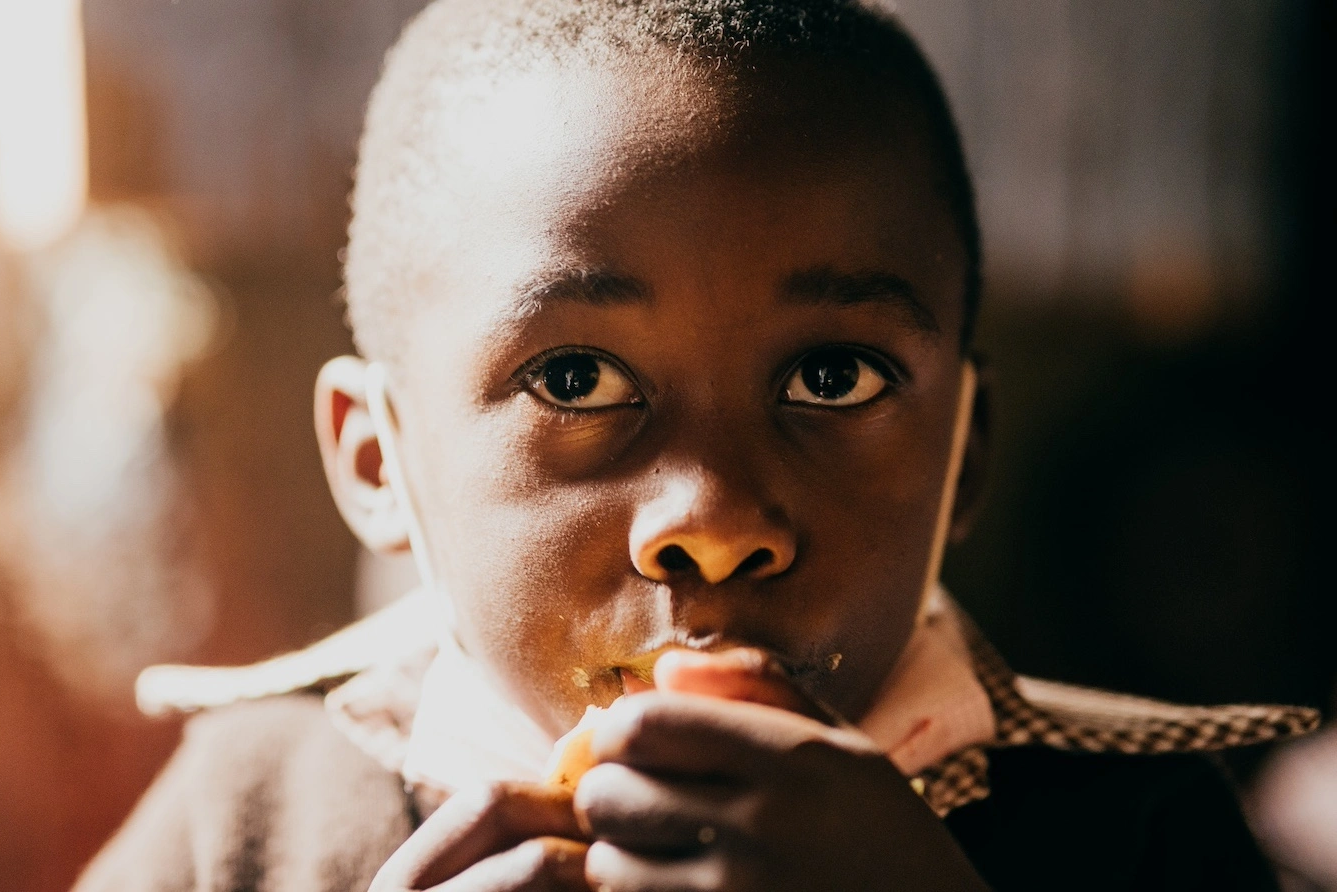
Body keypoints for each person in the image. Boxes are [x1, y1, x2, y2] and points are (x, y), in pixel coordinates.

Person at [74, 1, 1318, 889]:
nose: (716, 520)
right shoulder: (250, 817)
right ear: (376, 460)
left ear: (965, 455)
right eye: (577, 378)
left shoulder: (1136, 828)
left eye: (833, 377)